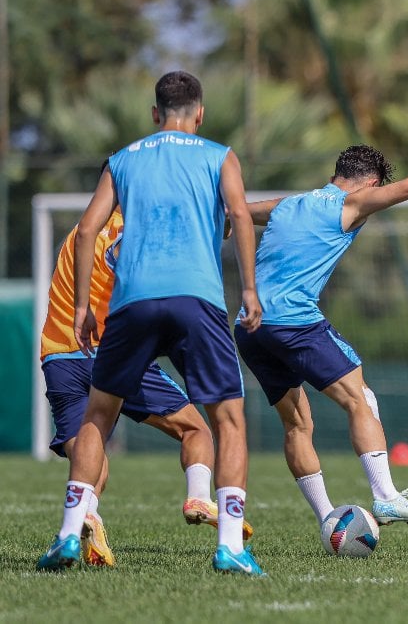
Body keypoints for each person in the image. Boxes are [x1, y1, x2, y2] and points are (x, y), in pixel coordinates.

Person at [37, 71, 264, 576]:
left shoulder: (123, 159)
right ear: (199, 113)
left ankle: (69, 532)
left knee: (98, 416)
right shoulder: (219, 155)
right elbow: (240, 215)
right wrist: (249, 289)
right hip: (196, 299)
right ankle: (230, 545)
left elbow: (87, 230)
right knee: (226, 420)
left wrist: (81, 308)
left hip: (131, 303)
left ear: (155, 114)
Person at [237, 142, 408, 532]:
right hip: (293, 322)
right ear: (371, 184)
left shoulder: (287, 204)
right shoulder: (350, 204)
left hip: (249, 327)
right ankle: (385, 497)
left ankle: (329, 521)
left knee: (297, 426)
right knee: (360, 399)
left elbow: (236, 212)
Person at [39, 204, 253, 567]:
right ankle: (199, 496)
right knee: (195, 430)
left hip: (59, 356)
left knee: (89, 452)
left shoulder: (80, 232)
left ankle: (86, 515)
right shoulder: (133, 230)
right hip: (114, 354)